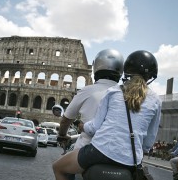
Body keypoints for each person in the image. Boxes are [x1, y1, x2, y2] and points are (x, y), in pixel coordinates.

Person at [52, 50, 161, 180]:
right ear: (151, 76)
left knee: (58, 168)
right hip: (132, 160)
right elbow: (148, 142)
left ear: (126, 70)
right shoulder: (156, 101)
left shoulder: (113, 92)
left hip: (101, 151)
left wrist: (82, 126)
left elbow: (95, 127)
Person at [57, 49, 124, 180]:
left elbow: (66, 120)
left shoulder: (87, 91)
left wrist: (62, 134)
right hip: (119, 154)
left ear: (96, 68)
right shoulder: (126, 95)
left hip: (88, 149)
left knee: (59, 169)